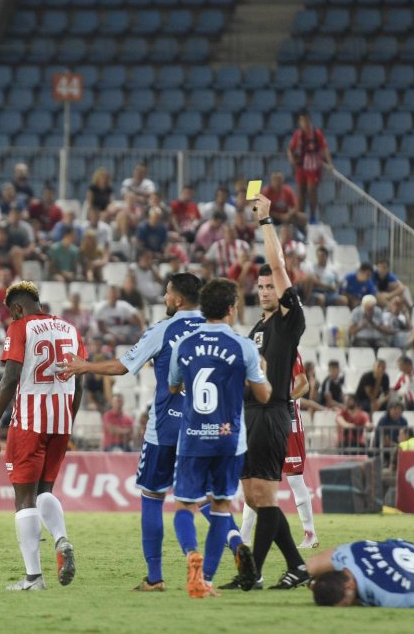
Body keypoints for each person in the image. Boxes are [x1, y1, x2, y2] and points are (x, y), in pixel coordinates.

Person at [60, 273, 205, 592]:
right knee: (208, 499)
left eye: (167, 294)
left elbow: (123, 366)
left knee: (152, 496)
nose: (165, 299)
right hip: (206, 427)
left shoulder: (164, 330)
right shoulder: (217, 328)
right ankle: (236, 546)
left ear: (178, 300)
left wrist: (84, 366)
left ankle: (155, 578)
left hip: (166, 425)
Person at [167, 277, 272, 598]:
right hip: (229, 440)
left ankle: (190, 555)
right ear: (230, 308)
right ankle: (206, 580)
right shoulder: (243, 346)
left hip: (193, 437)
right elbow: (264, 395)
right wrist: (260, 370)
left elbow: (174, 386)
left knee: (185, 505)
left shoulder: (184, 344)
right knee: (222, 507)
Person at [225, 193, 309, 592]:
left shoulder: (289, 322)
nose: (264, 291)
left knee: (264, 496)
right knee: (253, 498)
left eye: (270, 286)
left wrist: (265, 222)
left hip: (272, 412)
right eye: (259, 287)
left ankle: (252, 572)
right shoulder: (256, 329)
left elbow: (277, 264)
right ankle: (294, 566)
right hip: (248, 416)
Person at [0, 281, 85, 591]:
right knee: (44, 491)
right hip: (60, 421)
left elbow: (10, 377)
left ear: (17, 308)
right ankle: (61, 538)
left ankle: (33, 578)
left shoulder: (20, 328)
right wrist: (69, 418)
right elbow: (79, 383)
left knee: (24, 498)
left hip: (29, 422)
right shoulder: (70, 330)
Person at [243, 352, 320, 550]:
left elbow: (303, 385)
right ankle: (243, 537)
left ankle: (310, 534)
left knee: (294, 478)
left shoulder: (289, 350)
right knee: (257, 478)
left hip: (288, 421)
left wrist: (285, 399)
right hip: (263, 420)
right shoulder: (257, 350)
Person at [307, 539, 414, 608]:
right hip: (407, 546)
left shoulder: (386, 597)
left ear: (348, 588)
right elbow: (312, 565)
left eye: (346, 603)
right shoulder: (347, 554)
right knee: (311, 565)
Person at [287, 111, 331, 223]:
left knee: (312, 189)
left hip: (313, 166)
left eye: (306, 120)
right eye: (302, 121)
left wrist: (330, 164)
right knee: (301, 191)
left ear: (309, 121)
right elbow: (290, 149)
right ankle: (301, 216)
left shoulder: (317, 134)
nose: (304, 123)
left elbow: (324, 148)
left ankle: (312, 215)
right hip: (301, 166)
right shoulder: (297, 134)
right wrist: (291, 159)